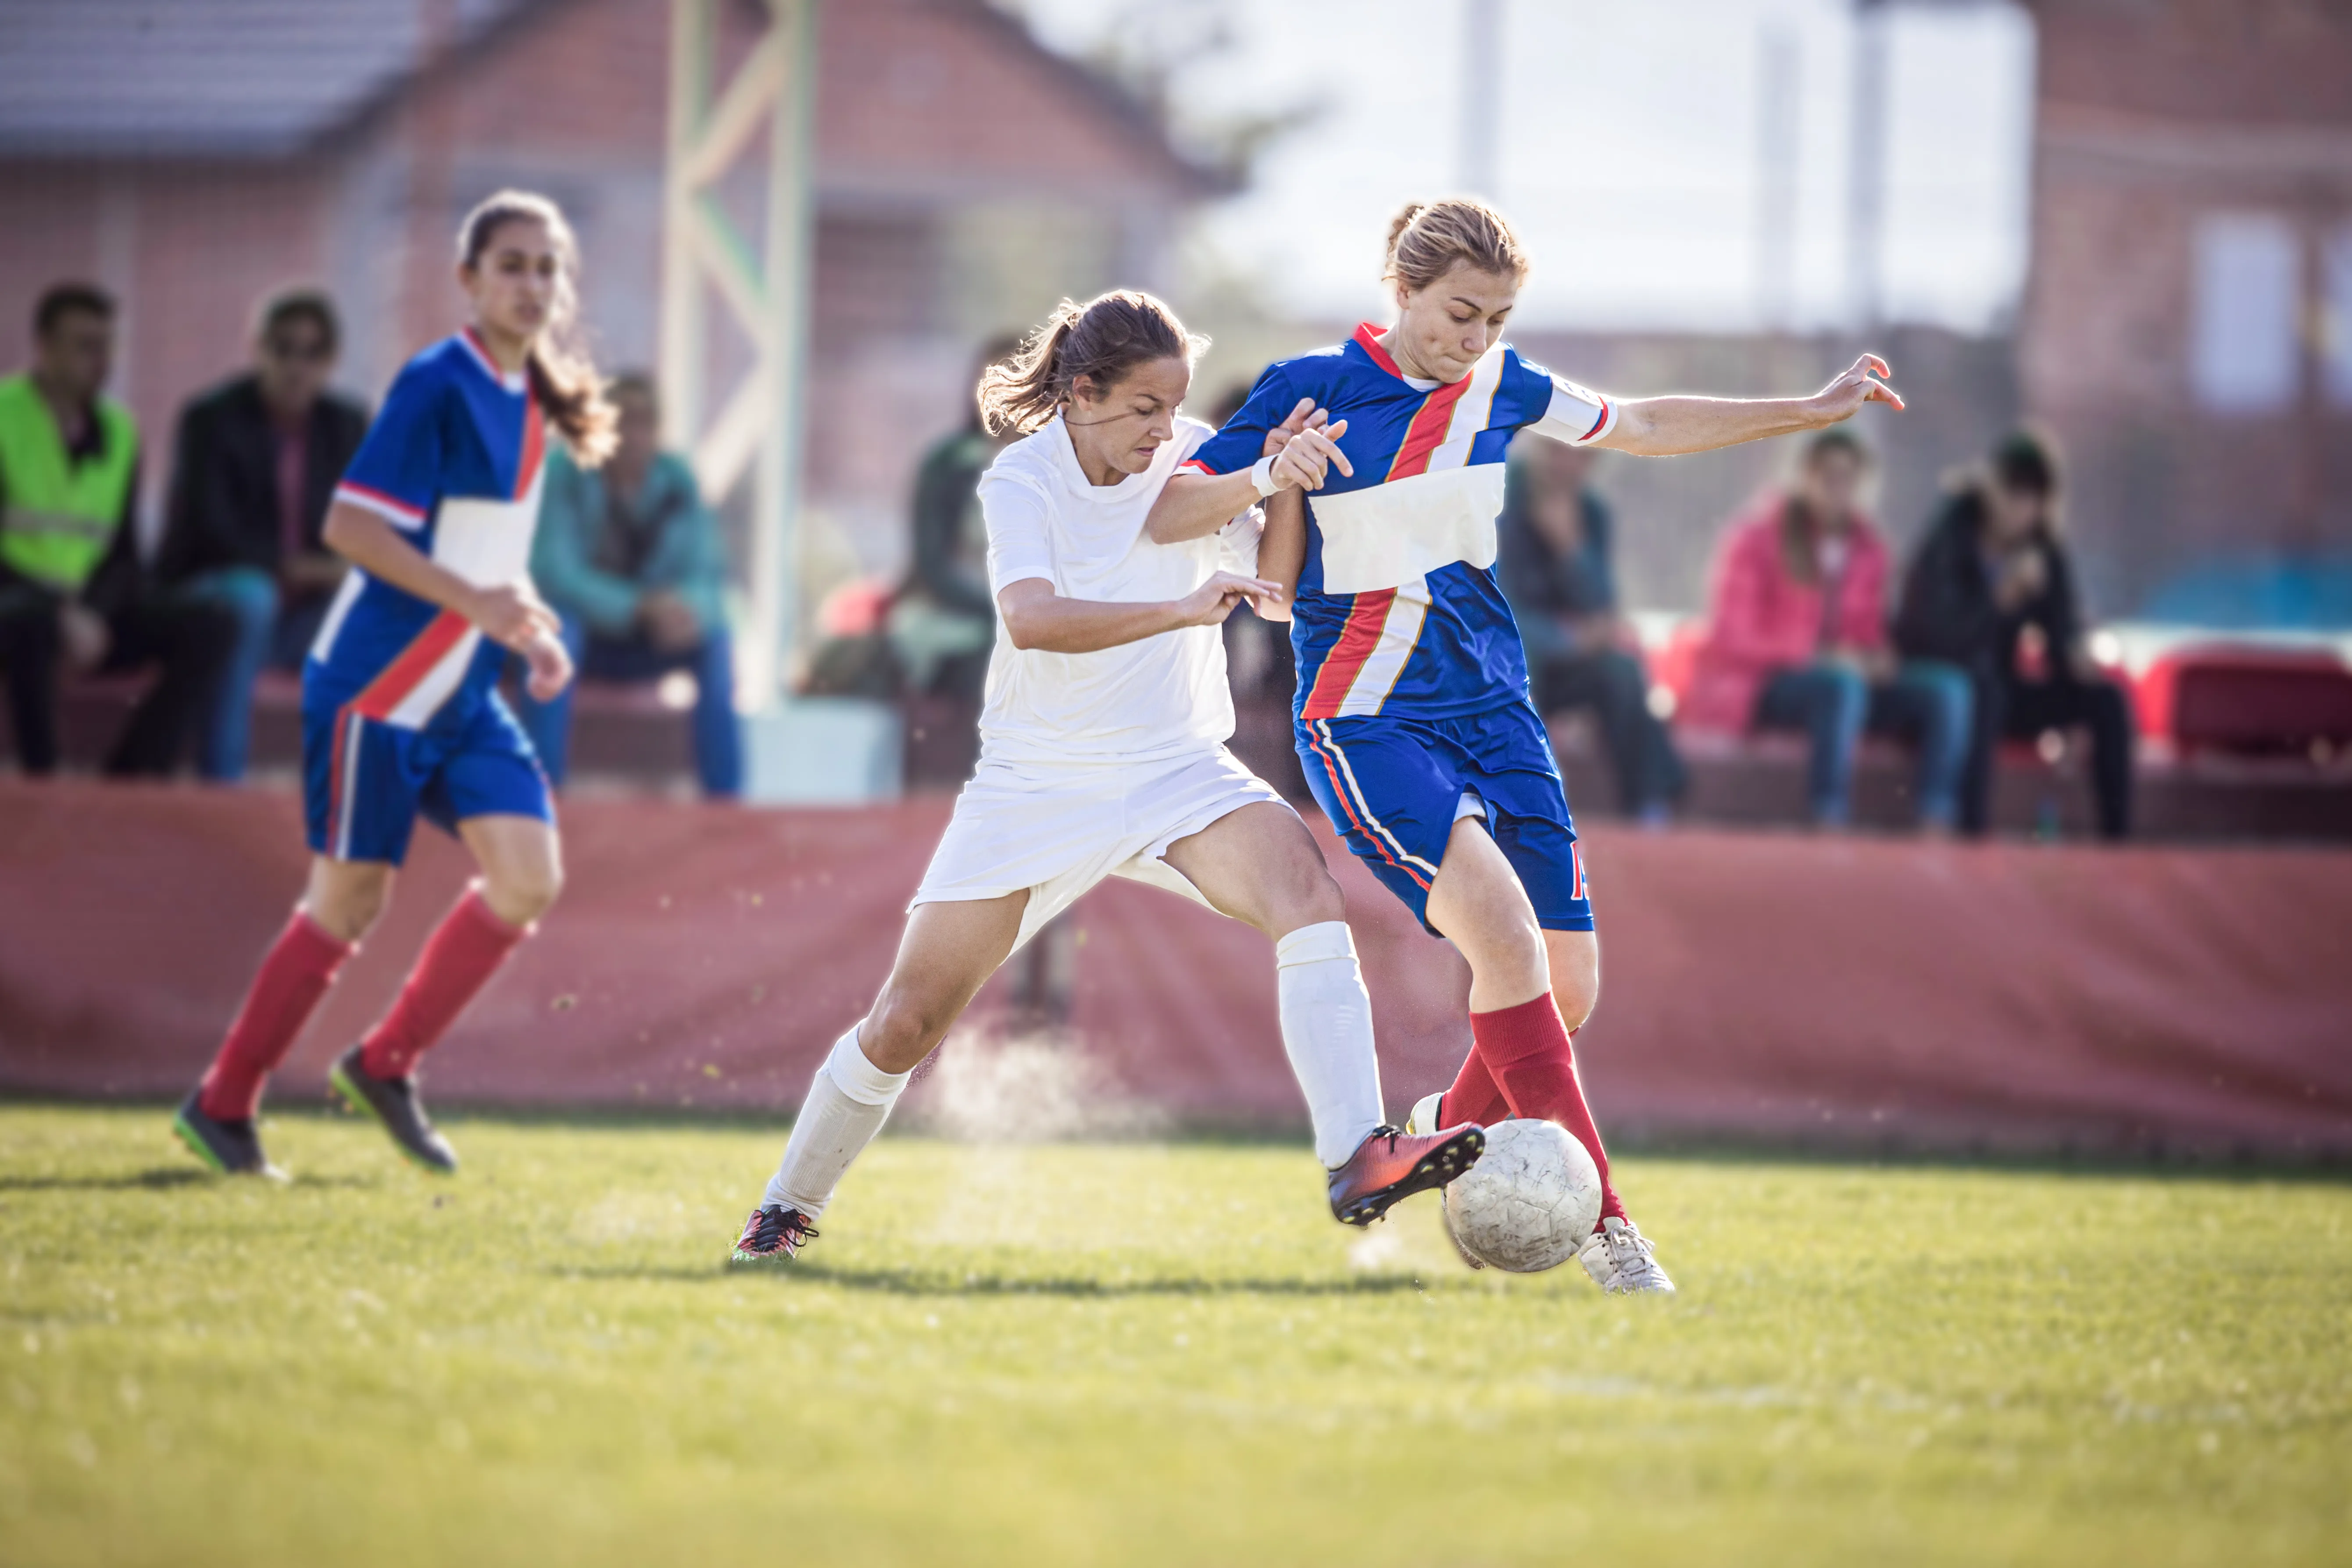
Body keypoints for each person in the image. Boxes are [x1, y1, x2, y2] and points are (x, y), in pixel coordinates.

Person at [1150, 197, 1907, 1293]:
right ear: (1401, 289)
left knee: (1568, 985)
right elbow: (1169, 513)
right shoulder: (1306, 386)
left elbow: (1642, 424)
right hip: (1365, 718)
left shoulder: (1503, 385)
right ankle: (1610, 1232)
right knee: (1505, 941)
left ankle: (1433, 1130)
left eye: (1497, 319)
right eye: (1460, 312)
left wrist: (1809, 409)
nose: (1476, 338)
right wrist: (1269, 472)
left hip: (1498, 715)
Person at [727, 290, 1485, 1264]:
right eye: (1143, 408)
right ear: (1082, 394)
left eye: (1173, 408)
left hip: (1178, 764)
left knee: (1307, 892)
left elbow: (1273, 594)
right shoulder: (1022, 476)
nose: (1165, 431)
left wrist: (1283, 480)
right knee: (905, 1023)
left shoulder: (1192, 452)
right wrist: (1179, 608)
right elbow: (1031, 618)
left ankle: (1356, 1156)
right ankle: (786, 1208)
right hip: (1036, 780)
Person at [171, 190, 611, 1179]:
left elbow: (487, 552)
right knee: (348, 903)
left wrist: (526, 626)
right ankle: (224, 1102)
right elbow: (351, 529)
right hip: (377, 688)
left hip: (462, 691)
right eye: (510, 265)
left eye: (546, 267)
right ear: (468, 280)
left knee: (529, 876)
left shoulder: (531, 395)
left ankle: (384, 1063)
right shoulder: (435, 381)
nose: (531, 284)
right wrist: (478, 603)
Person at [0, 282, 239, 778]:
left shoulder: (120, 431)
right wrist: (62, 612)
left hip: (87, 613)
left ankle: (133, 774)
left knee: (215, 622)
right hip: (18, 607)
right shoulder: (6, 416)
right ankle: (43, 777)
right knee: (31, 622)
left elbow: (125, 556)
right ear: (44, 346)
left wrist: (92, 612)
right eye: (85, 345)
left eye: (107, 345)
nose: (101, 360)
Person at [1685, 429, 1973, 831]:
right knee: (1840, 687)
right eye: (1829, 476)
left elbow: (1868, 629)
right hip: (1767, 684)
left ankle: (1936, 817)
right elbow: (1734, 636)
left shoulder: (1871, 548)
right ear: (1805, 477)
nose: (1839, 489)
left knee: (1948, 690)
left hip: (1849, 682)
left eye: (1850, 478)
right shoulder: (1756, 538)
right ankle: (1829, 814)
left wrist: (1877, 657)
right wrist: (1815, 655)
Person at [156, 288, 371, 782]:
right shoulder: (211, 418)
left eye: (312, 352)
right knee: (253, 598)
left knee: (375, 605)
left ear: (331, 360)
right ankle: (223, 781)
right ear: (258, 350)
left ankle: (351, 790)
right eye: (284, 348)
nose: (297, 366)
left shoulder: (345, 424)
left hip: (302, 613)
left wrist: (350, 570)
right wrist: (303, 569)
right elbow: (211, 534)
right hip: (217, 597)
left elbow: (368, 522)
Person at [511, 371, 741, 798]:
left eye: (645, 421)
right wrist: (637, 607)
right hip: (586, 633)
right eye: (623, 420)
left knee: (716, 641)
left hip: (651, 637)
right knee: (556, 634)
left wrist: (683, 608)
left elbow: (708, 573)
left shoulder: (679, 480)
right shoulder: (564, 473)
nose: (634, 435)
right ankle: (542, 793)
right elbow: (553, 572)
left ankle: (725, 803)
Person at [1894, 430, 2133, 839]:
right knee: (1982, 687)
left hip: (2002, 694)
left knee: (2107, 700)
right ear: (1990, 487)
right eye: (2013, 492)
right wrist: (1999, 600)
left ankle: (2118, 838)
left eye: (2032, 498)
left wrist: (2075, 656)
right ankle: (1973, 834)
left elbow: (2059, 642)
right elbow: (1934, 636)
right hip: (1941, 690)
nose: (2020, 509)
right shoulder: (1952, 534)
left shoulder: (2042, 551)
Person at [1495, 435, 1685, 822]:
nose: (1565, 464)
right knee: (1521, 662)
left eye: (1580, 456)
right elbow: (1499, 609)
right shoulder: (1499, 498)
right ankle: (1523, 802)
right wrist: (1570, 639)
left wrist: (1570, 548)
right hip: (1503, 658)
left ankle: (1649, 803)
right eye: (1557, 450)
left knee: (1621, 671)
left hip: (1561, 661)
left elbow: (1600, 605)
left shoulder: (1590, 512)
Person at [886, 334, 1025, 704]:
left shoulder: (1053, 467)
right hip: (958, 611)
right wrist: (995, 611)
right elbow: (932, 561)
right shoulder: (948, 463)